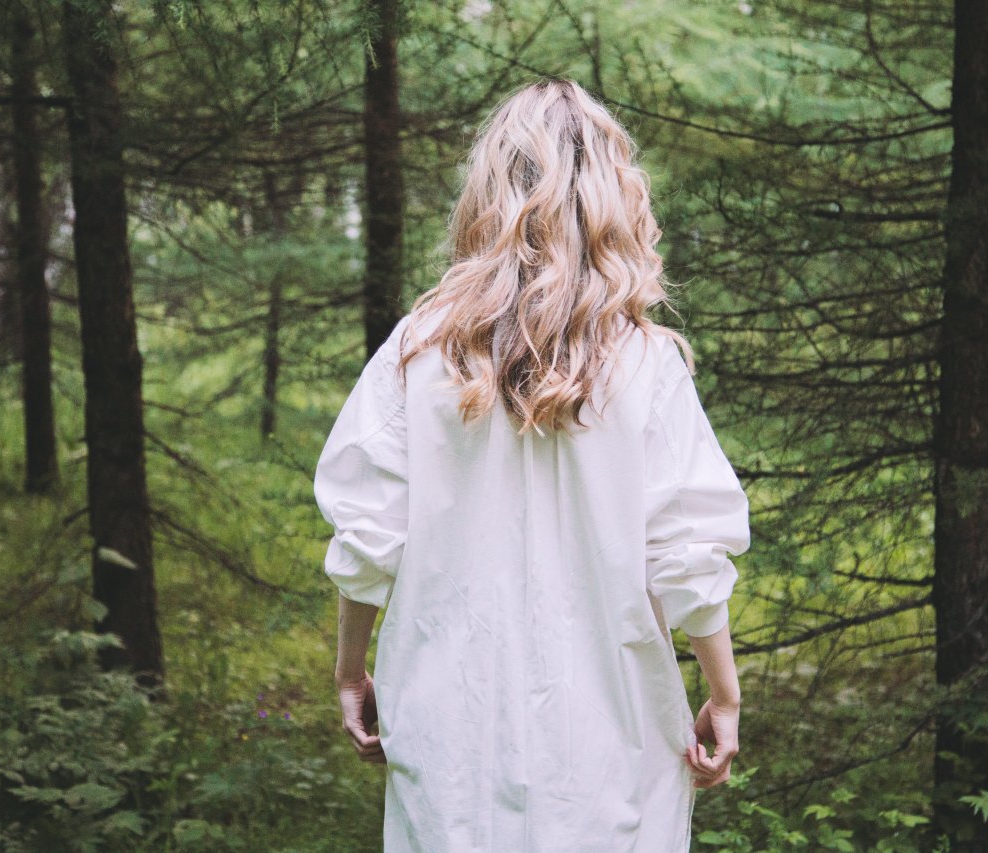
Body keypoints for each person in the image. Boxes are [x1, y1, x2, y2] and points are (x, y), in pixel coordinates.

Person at [314, 77, 751, 852]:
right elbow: (686, 555)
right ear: (613, 199)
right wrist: (724, 691)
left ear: (487, 196)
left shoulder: (418, 354)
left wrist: (352, 670)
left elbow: (367, 538)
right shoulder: (646, 365)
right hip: (608, 749)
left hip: (452, 739)